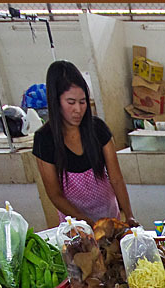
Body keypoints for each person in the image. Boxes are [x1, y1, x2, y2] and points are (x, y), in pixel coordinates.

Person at [32, 60, 135, 226]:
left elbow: (116, 178)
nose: (78, 110)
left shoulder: (98, 129)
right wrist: (86, 222)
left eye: (83, 102)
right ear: (56, 102)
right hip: (75, 222)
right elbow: (55, 194)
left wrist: (129, 215)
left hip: (108, 214)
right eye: (71, 102)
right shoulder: (44, 140)